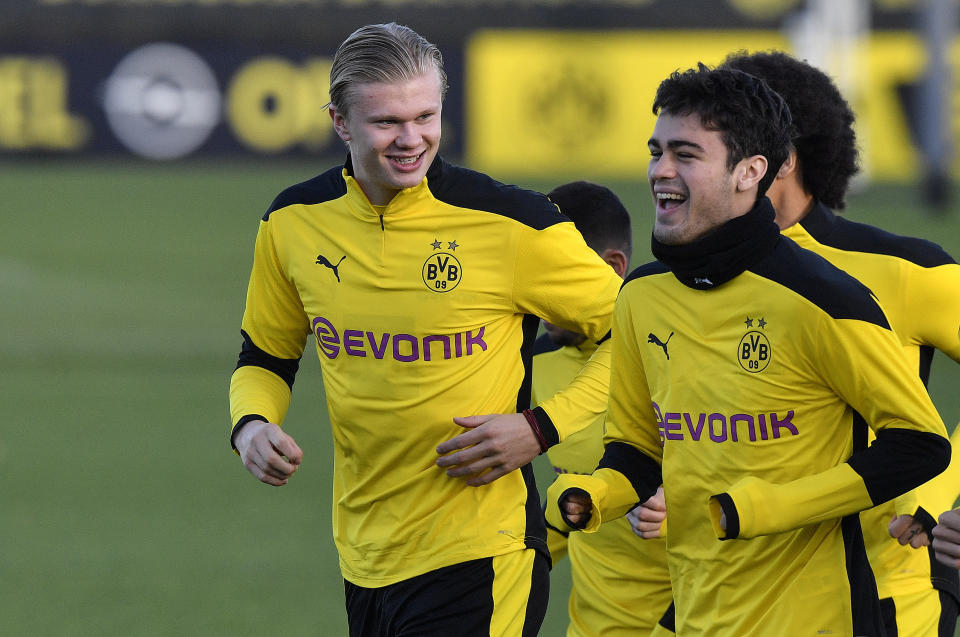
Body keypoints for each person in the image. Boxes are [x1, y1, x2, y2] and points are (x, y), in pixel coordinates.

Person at [227, 23, 622, 636]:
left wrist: (541, 428)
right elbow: (266, 356)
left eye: (426, 116)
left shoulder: (512, 224)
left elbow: (640, 335)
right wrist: (251, 424)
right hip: (365, 555)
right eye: (387, 122)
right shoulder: (292, 222)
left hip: (482, 552)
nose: (412, 139)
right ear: (340, 121)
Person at [545, 63, 951, 636]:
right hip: (698, 616)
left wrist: (772, 508)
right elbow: (638, 446)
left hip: (821, 620)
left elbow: (920, 445)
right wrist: (597, 492)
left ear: (750, 171)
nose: (660, 171)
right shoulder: (641, 296)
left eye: (686, 155)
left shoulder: (826, 299)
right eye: (656, 151)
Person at [721, 49, 960, 637]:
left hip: (878, 595)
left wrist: (942, 493)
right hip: (726, 595)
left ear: (782, 160)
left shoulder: (905, 270)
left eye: (728, 145)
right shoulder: (685, 280)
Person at [530, 181, 673, 636]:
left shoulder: (681, 351)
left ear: (612, 267)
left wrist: (679, 503)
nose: (539, 300)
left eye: (556, 281)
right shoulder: (530, 365)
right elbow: (552, 519)